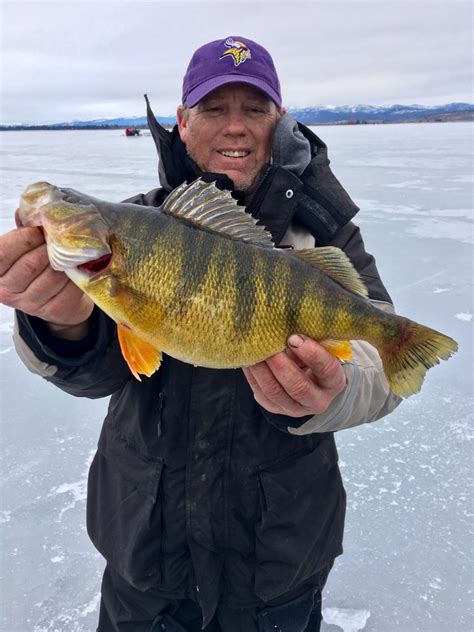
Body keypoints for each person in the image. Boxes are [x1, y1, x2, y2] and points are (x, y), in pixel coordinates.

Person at [0, 36, 401, 632]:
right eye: (214, 109)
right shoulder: (136, 222)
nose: (234, 128)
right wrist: (59, 324)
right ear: (183, 123)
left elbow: (384, 358)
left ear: (280, 120)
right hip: (146, 553)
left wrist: (337, 389)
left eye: (254, 109)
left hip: (279, 557)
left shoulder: (325, 236)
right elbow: (103, 368)